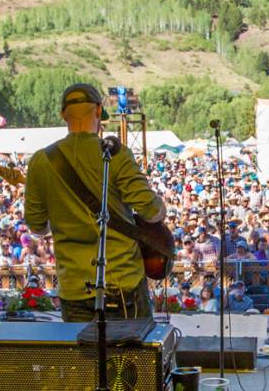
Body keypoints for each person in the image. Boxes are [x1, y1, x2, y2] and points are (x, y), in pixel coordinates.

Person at [23, 83, 169, 322]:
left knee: (85, 358)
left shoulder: (41, 161)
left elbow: (37, 226)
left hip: (73, 286)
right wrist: (160, 207)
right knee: (133, 358)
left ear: (63, 114)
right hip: (123, 280)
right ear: (99, 111)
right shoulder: (115, 154)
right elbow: (152, 212)